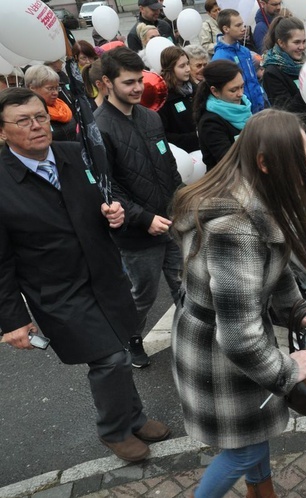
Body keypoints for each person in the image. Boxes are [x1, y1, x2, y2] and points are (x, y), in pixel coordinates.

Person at [0, 87, 171, 462]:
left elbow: (101, 202)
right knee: (109, 359)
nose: (36, 126)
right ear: (2, 132)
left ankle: (134, 417)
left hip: (104, 275)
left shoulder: (73, 154)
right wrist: (13, 320)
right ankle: (113, 430)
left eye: (41, 116)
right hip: (59, 292)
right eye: (23, 121)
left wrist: (114, 216)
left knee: (122, 348)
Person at [170, 109, 306, 498]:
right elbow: (239, 338)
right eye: (301, 160)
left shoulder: (250, 195)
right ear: (264, 163)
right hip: (219, 349)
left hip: (219, 335)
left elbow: (272, 263)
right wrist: (287, 369)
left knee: (252, 433)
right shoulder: (237, 228)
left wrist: (297, 308)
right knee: (247, 446)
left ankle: (263, 492)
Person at [94, 47, 183, 368]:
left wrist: (183, 200)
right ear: (106, 82)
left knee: (184, 284)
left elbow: (169, 167)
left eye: (139, 81)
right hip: (137, 235)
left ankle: (193, 340)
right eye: (128, 82)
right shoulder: (99, 129)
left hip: (172, 223)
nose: (137, 88)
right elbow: (106, 188)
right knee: (142, 295)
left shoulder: (150, 116)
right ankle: (132, 337)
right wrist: (143, 219)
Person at [194, 60, 253, 171]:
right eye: (233, 90)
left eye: (242, 87)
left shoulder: (244, 106)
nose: (240, 93)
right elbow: (228, 160)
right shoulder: (210, 122)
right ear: (215, 91)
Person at [212, 9, 265, 114]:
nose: (243, 28)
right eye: (238, 25)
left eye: (243, 24)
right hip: (241, 112)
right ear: (226, 29)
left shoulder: (244, 51)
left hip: (258, 108)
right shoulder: (220, 58)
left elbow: (253, 79)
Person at [159, 46, 199, 152]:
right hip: (184, 155)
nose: (188, 69)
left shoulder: (195, 89)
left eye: (187, 64)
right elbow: (164, 135)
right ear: (170, 69)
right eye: (182, 66)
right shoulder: (163, 99)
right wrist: (195, 137)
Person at [25, 65, 76, 142]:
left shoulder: (62, 106)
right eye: (50, 88)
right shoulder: (26, 114)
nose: (55, 93)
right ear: (32, 88)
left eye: (57, 88)